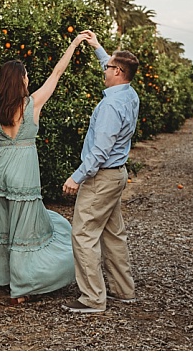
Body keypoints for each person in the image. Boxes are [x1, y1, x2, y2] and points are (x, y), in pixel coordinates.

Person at [0, 32, 90, 304]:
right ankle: (22, 287)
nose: (29, 79)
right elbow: (57, 72)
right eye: (26, 75)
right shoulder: (32, 104)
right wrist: (75, 43)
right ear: (20, 80)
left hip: (1, 171)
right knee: (25, 231)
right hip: (24, 175)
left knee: (4, 224)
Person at [61, 30, 140, 313]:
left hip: (101, 178)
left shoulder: (110, 106)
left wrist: (76, 177)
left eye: (108, 67)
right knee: (112, 233)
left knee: (83, 234)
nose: (104, 70)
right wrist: (98, 49)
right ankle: (123, 289)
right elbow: (112, 65)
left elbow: (99, 153)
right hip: (118, 175)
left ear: (117, 72)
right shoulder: (129, 94)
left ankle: (92, 298)